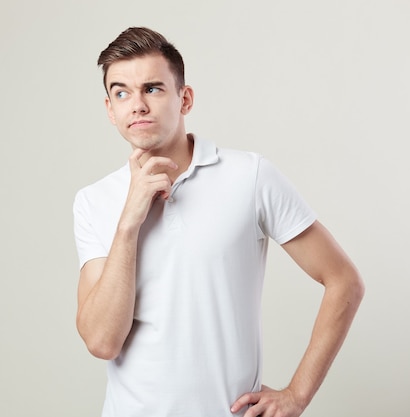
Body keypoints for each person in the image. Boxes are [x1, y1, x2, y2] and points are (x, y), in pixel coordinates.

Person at [74, 27, 365, 417]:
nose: (137, 105)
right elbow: (102, 342)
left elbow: (344, 280)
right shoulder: (94, 201)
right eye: (122, 92)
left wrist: (297, 394)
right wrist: (129, 222)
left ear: (185, 98)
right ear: (110, 109)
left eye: (153, 89)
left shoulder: (250, 176)